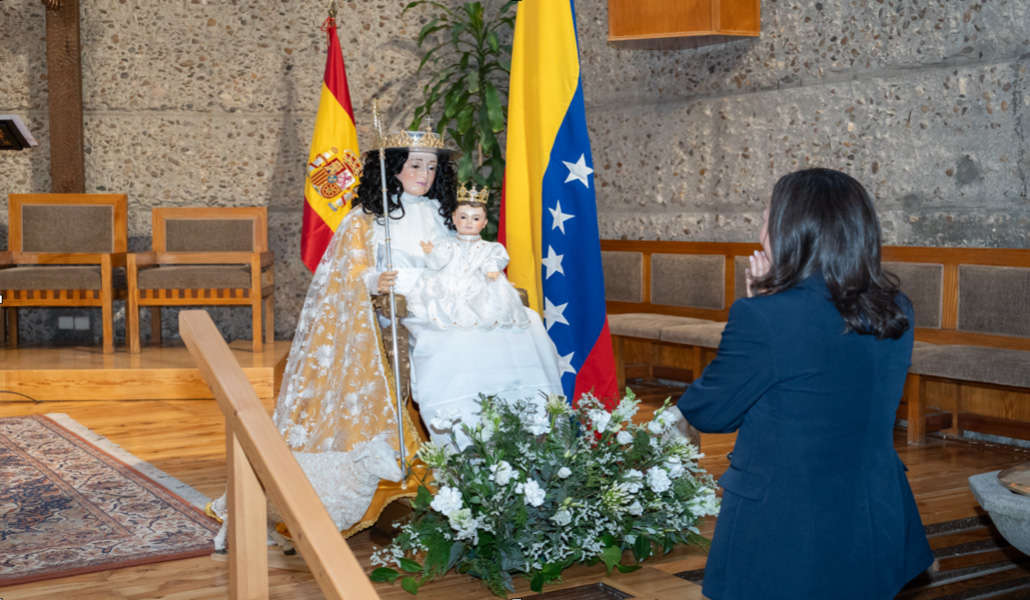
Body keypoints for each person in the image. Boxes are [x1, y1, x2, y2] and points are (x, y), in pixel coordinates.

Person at [274, 124, 560, 531]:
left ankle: (521, 432)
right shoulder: (367, 219)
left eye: (430, 167)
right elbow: (344, 276)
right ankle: (460, 445)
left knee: (523, 321)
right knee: (455, 342)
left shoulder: (443, 215)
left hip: (445, 298)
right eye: (415, 166)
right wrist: (375, 281)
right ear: (393, 169)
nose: (423, 175)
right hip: (403, 307)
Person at [677, 168, 933, 600]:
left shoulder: (765, 317)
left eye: (765, 219)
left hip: (786, 522)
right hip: (873, 510)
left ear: (792, 231)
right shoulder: (895, 307)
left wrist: (761, 308)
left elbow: (710, 413)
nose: (760, 234)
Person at [406, 184, 531, 332]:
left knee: (486, 297)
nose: (469, 222)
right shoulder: (445, 243)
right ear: (454, 218)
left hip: (479, 281)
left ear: (484, 223)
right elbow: (437, 264)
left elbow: (495, 259)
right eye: (463, 217)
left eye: (476, 218)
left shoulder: (491, 247)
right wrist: (432, 252)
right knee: (441, 295)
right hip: (448, 282)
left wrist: (491, 269)